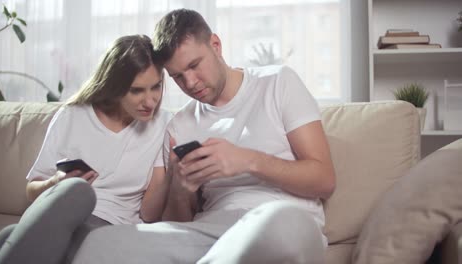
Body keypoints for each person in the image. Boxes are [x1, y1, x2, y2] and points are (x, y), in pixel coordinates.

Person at [72, 9, 336, 264]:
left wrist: (248, 161)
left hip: (283, 222)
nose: (191, 83)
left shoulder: (278, 82)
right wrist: (179, 189)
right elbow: (176, 226)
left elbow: (324, 180)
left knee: (282, 223)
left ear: (216, 45)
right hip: (213, 231)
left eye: (195, 65)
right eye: (177, 77)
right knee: (100, 243)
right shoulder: (180, 126)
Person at [0, 34, 172, 264]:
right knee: (76, 193)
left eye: (156, 87)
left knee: (16, 238)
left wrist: (174, 174)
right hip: (59, 213)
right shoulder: (72, 115)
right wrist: (54, 184)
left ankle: (14, 245)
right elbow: (32, 190)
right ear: (115, 87)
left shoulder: (163, 125)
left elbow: (150, 212)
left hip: (110, 225)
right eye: (137, 91)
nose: (150, 101)